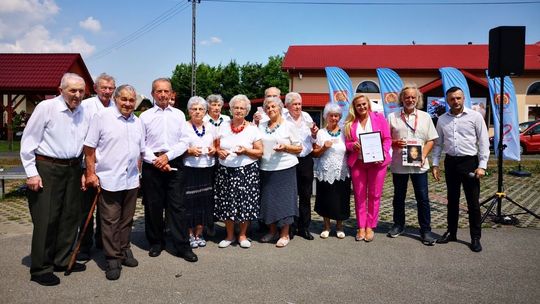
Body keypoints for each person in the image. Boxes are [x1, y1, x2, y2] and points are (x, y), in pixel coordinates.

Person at [20, 73, 89, 286]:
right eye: (72, 90)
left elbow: (85, 143)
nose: (77, 95)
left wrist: (86, 170)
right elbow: (28, 140)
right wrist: (32, 173)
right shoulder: (46, 108)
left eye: (81, 91)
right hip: (48, 167)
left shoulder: (83, 111)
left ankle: (62, 259)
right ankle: (41, 268)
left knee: (70, 216)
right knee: (47, 218)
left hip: (73, 168)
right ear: (61, 90)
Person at [84, 84, 144, 280]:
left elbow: (140, 152)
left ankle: (124, 249)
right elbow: (89, 148)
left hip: (131, 179)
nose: (127, 103)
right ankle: (112, 259)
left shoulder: (137, 122)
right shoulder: (101, 117)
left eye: (131, 100)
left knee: (126, 219)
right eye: (124, 99)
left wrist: (140, 173)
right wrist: (91, 174)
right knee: (110, 220)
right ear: (116, 99)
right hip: (109, 178)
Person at [139, 78, 197, 262]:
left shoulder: (179, 115)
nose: (163, 94)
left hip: (174, 162)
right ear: (152, 94)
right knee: (153, 206)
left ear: (171, 94)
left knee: (177, 206)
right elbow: (141, 144)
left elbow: (184, 141)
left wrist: (167, 157)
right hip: (152, 164)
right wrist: (156, 160)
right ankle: (156, 242)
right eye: (159, 91)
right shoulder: (145, 116)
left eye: (166, 91)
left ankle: (182, 246)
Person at [432, 86, 489, 252]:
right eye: (452, 99)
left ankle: (475, 237)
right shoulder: (442, 119)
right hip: (451, 163)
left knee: (473, 203)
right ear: (448, 100)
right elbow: (438, 144)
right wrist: (435, 163)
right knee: (452, 201)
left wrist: (482, 166)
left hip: (469, 162)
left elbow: (484, 141)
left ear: (463, 99)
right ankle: (452, 232)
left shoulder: (475, 117)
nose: (455, 101)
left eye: (458, 98)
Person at [386, 85, 439, 245]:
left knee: (422, 198)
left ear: (418, 99)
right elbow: (385, 139)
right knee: (399, 197)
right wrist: (394, 142)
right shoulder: (392, 117)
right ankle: (398, 225)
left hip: (419, 164)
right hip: (398, 164)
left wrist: (423, 155)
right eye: (407, 97)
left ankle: (425, 230)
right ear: (402, 98)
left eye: (413, 97)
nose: (410, 100)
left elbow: (431, 139)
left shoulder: (425, 117)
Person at [214, 94, 263, 248]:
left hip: (247, 171)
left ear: (247, 111)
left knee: (245, 203)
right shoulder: (222, 126)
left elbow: (260, 152)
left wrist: (246, 151)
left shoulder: (253, 129)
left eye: (242, 108)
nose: (239, 110)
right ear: (231, 109)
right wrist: (218, 151)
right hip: (225, 170)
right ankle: (229, 236)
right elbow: (215, 145)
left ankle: (242, 235)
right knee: (227, 203)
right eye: (236, 107)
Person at [77, 73, 116, 261]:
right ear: (95, 88)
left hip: (109, 167)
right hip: (89, 165)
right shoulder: (85, 107)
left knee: (106, 209)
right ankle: (84, 246)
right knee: (86, 209)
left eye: (111, 88)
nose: (107, 91)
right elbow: (82, 141)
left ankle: (103, 240)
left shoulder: (116, 107)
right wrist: (85, 170)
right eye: (104, 88)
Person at [344, 94, 391, 242]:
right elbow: (347, 143)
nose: (362, 107)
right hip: (358, 163)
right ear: (355, 108)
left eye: (364, 104)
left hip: (377, 164)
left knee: (375, 195)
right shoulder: (350, 123)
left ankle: (370, 226)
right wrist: (353, 145)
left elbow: (387, 138)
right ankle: (361, 226)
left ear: (368, 104)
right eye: (359, 105)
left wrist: (383, 153)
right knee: (359, 196)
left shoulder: (379, 118)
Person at [259, 96, 302, 248]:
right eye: (268, 107)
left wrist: (285, 147)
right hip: (266, 168)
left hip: (285, 168)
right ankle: (272, 231)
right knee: (268, 201)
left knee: (285, 202)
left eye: (273, 107)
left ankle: (284, 234)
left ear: (280, 108)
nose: (271, 109)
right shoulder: (261, 125)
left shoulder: (288, 125)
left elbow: (299, 148)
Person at [312, 103, 351, 239]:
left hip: (342, 171)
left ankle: (340, 226)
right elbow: (315, 153)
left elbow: (350, 150)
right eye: (331, 115)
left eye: (336, 115)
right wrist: (324, 148)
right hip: (325, 171)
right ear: (326, 116)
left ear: (339, 117)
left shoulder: (345, 133)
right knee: (326, 199)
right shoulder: (321, 133)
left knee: (341, 199)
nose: (333, 118)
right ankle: (326, 226)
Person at [283, 92, 318, 240]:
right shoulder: (283, 119)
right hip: (290, 159)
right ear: (288, 106)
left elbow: (313, 139)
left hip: (306, 160)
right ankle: (290, 227)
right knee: (290, 195)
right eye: (294, 104)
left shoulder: (307, 117)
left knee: (305, 194)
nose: (297, 107)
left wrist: (314, 133)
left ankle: (304, 227)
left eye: (299, 104)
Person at [183, 96, 217, 248]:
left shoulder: (210, 126)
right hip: (190, 169)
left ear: (205, 111)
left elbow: (216, 145)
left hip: (207, 168)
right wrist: (189, 151)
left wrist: (213, 150)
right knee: (189, 203)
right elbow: (177, 149)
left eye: (201, 109)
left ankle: (200, 233)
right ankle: (190, 234)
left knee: (204, 203)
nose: (198, 112)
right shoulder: (183, 126)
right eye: (194, 109)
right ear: (189, 111)